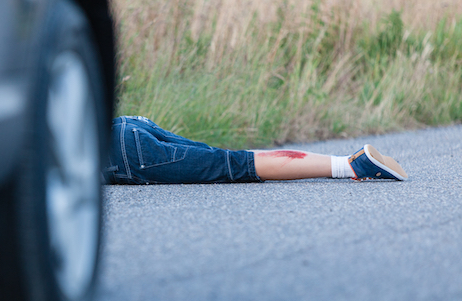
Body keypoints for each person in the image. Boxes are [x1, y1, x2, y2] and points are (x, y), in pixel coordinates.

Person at [102, 116, 408, 185]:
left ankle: (352, 166)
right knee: (225, 159)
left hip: (122, 153)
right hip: (125, 126)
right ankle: (349, 163)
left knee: (234, 166)